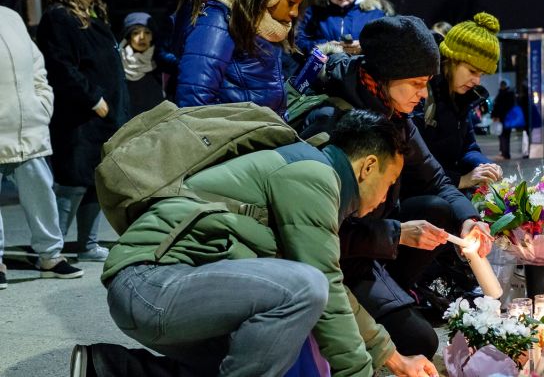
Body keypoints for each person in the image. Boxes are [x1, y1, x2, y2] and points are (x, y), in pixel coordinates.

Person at [70, 110, 437, 377]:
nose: (387, 198)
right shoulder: (313, 175)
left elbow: (333, 288)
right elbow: (323, 283)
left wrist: (390, 355)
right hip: (151, 286)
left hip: (166, 294)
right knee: (304, 289)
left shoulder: (311, 174)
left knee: (269, 354)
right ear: (368, 166)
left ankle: (109, 368)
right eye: (390, 183)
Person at [298, 15, 493, 359]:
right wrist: (397, 234)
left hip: (369, 245)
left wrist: (469, 220)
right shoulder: (335, 126)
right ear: (386, 77)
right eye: (416, 83)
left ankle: (396, 294)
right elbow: (314, 235)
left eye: (427, 83)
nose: (423, 95)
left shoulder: (396, 116)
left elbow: (435, 177)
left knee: (439, 209)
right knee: (421, 343)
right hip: (332, 262)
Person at [36, 0, 130, 262]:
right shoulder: (59, 17)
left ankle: (87, 245)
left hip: (104, 118)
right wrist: (94, 99)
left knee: (94, 183)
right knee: (74, 182)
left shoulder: (94, 16)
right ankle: (54, 249)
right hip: (79, 118)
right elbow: (61, 67)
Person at [172, 0, 324, 115]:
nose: (294, 12)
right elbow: (193, 102)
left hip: (263, 130)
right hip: (240, 136)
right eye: (291, 1)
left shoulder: (263, 23)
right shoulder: (219, 18)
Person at [0, 6, 84, 288]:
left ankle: (50, 256)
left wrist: (42, 104)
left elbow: (36, 64)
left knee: (41, 195)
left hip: (28, 128)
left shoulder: (10, 17)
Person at [413, 12, 503, 192]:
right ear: (451, 60)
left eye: (481, 74)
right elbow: (414, 163)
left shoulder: (463, 97)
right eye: (472, 71)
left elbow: (468, 148)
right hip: (423, 191)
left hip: (446, 187)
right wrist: (460, 180)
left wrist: (485, 166)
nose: (477, 81)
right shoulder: (421, 93)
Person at [119, 12, 170, 117]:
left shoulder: (163, 66)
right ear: (128, 37)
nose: (142, 37)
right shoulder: (116, 66)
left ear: (152, 37)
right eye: (136, 33)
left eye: (147, 32)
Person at [491, 80, 517, 159]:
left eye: (503, 85)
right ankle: (503, 153)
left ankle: (505, 154)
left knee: (504, 136)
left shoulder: (506, 94)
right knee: (502, 136)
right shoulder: (505, 94)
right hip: (503, 119)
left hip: (504, 119)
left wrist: (497, 116)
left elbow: (502, 107)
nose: (502, 86)